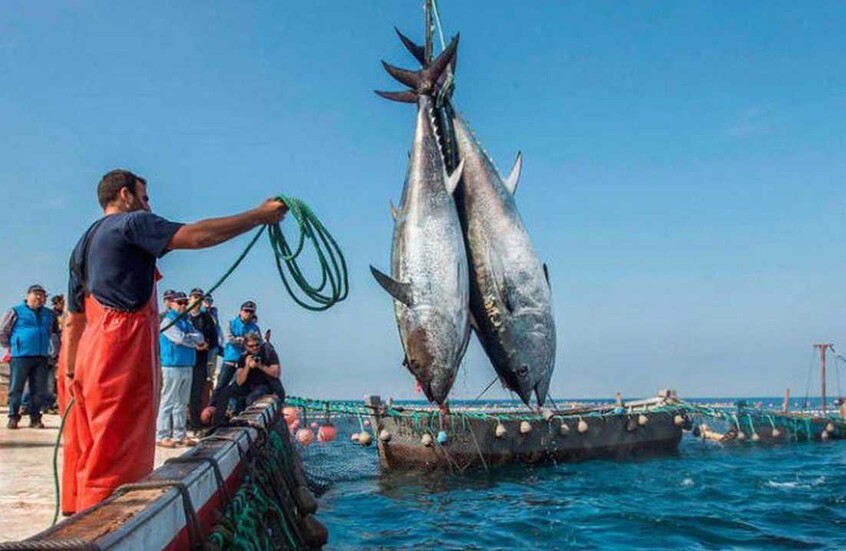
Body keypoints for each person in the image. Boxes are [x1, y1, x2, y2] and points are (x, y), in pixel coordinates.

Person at [59, 168, 286, 514]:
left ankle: (79, 519)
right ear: (125, 195)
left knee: (90, 448)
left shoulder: (84, 242)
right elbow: (196, 236)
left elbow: (73, 319)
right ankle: (107, 527)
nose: (149, 207)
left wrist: (73, 374)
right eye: (145, 197)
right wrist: (258, 216)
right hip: (118, 352)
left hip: (86, 354)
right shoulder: (131, 223)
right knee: (117, 453)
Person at [0, 284, 57, 429]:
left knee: (39, 390)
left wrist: (52, 353)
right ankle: (13, 417)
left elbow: (54, 334)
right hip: (20, 356)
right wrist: (10, 347)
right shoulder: (15, 311)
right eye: (35, 294)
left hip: (41, 357)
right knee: (16, 388)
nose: (39, 297)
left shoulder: (49, 315)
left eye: (42, 295)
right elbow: (3, 331)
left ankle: (35, 418)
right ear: (27, 296)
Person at [202, 332, 285, 426]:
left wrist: (260, 366)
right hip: (248, 385)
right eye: (251, 346)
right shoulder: (243, 357)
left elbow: (276, 373)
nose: (254, 348)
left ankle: (249, 422)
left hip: (265, 385)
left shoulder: (268, 352)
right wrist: (247, 366)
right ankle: (218, 423)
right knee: (224, 392)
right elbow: (239, 381)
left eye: (257, 345)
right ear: (246, 347)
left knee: (251, 399)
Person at [157, 290, 206, 448]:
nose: (183, 305)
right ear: (171, 303)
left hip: (187, 364)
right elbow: (180, 338)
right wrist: (192, 340)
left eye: (185, 302)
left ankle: (180, 434)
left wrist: (189, 338)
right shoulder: (168, 321)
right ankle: (162, 435)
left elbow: (200, 337)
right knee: (168, 400)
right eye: (180, 303)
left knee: (182, 402)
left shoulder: (186, 321)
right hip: (172, 365)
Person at [186, 288, 218, 436]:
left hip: (200, 361)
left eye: (200, 298)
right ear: (190, 298)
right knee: (180, 395)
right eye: (195, 297)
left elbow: (214, 339)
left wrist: (205, 346)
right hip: (183, 361)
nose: (197, 300)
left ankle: (195, 426)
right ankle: (179, 426)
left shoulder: (206, 318)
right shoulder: (183, 317)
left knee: (197, 393)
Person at [214, 301, 261, 398]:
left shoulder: (255, 328)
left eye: (251, 312)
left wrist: (241, 340)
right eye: (246, 310)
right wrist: (246, 341)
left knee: (240, 387)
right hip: (230, 360)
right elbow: (230, 339)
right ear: (241, 311)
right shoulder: (231, 323)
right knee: (221, 385)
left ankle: (235, 410)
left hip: (244, 362)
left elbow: (257, 343)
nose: (248, 313)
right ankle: (213, 406)